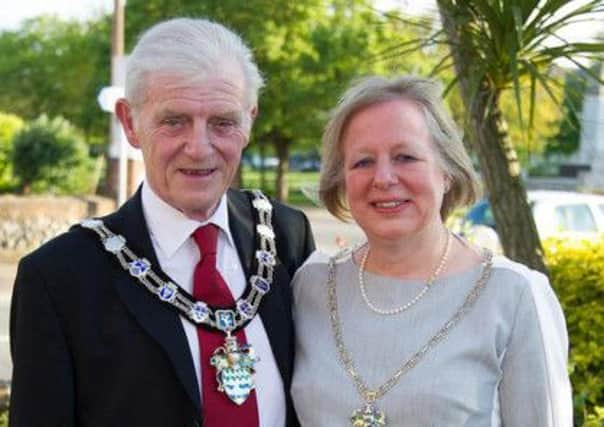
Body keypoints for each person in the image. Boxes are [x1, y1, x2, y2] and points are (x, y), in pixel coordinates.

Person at [10, 18, 315, 427]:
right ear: (130, 122)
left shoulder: (285, 235)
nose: (199, 147)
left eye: (223, 122)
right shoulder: (59, 277)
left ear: (250, 120)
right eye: (174, 121)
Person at [291, 75, 572, 426]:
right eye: (362, 162)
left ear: (448, 172)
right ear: (341, 179)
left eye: (405, 157)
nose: (383, 178)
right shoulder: (310, 285)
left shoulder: (514, 295)